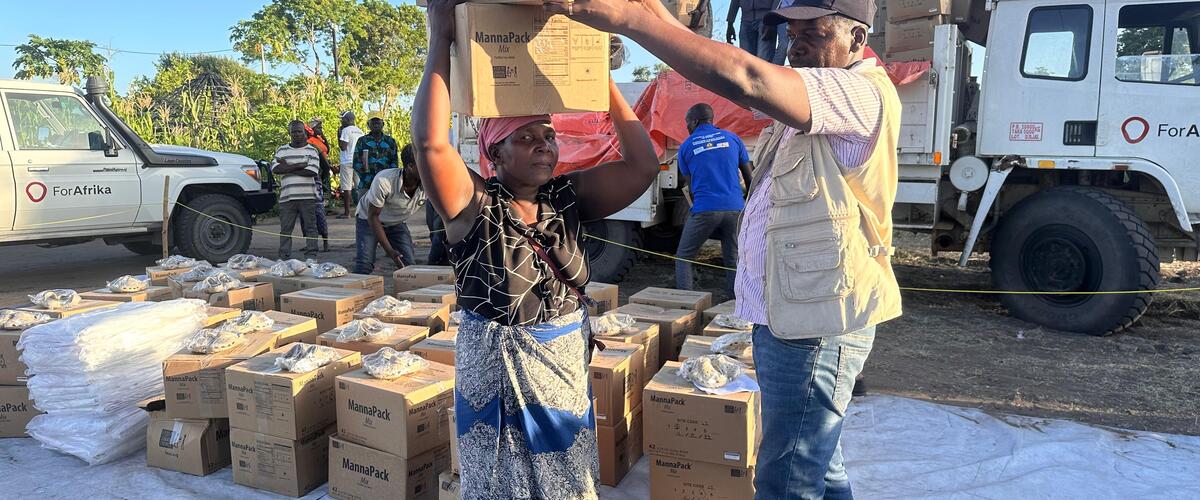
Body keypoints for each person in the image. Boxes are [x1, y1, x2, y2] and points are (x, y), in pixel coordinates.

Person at [548, 0, 902, 498]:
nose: (795, 44)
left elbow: (744, 77)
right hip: (795, 314)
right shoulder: (812, 96)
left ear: (856, 41)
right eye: (790, 32)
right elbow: (716, 66)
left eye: (813, 34)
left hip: (816, 324)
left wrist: (627, 20)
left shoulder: (857, 93)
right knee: (819, 463)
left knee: (788, 476)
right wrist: (652, 11)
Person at [412, 1, 659, 497]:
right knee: (501, 482)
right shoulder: (473, 205)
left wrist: (597, 78)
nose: (545, 146)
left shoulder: (566, 197)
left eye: (549, 136)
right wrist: (440, 38)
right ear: (494, 153)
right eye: (526, 138)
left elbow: (643, 166)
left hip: (561, 367)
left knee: (567, 478)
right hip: (496, 376)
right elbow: (430, 144)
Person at [675, 103, 752, 295]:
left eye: (687, 123)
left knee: (684, 257)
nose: (687, 127)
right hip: (736, 208)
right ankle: (735, 304)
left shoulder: (686, 146)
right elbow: (750, 178)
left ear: (694, 121)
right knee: (732, 258)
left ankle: (686, 305)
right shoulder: (732, 138)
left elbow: (691, 188)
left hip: (705, 208)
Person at [353, 144, 422, 273]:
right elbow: (373, 217)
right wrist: (389, 250)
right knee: (365, 264)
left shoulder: (430, 182)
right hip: (368, 220)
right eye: (424, 164)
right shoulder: (384, 180)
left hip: (396, 223)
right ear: (410, 167)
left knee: (408, 265)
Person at [274, 120, 322, 261]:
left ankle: (311, 256)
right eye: (293, 131)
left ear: (304, 132)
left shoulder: (312, 150)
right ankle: (284, 257)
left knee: (310, 227)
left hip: (307, 196)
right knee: (285, 229)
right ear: (289, 133)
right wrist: (300, 165)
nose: (296, 134)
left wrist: (288, 167)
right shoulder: (282, 150)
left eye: (299, 131)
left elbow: (313, 171)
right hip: (287, 197)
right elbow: (276, 169)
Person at [727, 0, 789, 65]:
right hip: (745, 21)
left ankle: (774, 73)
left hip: (765, 20)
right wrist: (730, 22)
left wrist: (771, 18)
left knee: (763, 61)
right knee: (745, 63)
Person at [353, 116, 399, 194]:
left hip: (385, 184)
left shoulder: (390, 141)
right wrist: (365, 174)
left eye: (378, 123)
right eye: (373, 123)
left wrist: (388, 176)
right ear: (368, 124)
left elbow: (394, 161)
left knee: (385, 206)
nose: (376, 125)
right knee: (365, 206)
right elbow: (356, 161)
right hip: (366, 183)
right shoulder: (362, 141)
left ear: (383, 124)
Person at [308, 119, 332, 252]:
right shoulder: (310, 143)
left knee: (319, 212)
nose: (321, 129)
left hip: (318, 178)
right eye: (318, 127)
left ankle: (325, 242)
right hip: (312, 180)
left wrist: (323, 136)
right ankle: (311, 243)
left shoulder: (318, 140)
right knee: (308, 214)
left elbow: (327, 150)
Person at [338, 111, 365, 218]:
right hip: (358, 162)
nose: (341, 121)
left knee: (347, 187)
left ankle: (347, 213)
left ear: (348, 120)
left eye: (342, 119)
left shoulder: (345, 130)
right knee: (359, 187)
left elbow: (343, 147)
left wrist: (338, 135)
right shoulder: (360, 131)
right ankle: (361, 211)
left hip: (347, 161)